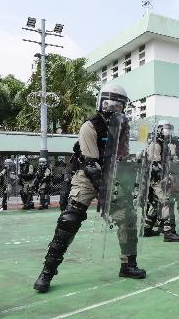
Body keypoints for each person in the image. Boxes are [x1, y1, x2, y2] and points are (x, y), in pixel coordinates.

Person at [33, 82, 146, 293]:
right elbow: (91, 164)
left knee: (128, 218)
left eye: (119, 105)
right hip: (87, 177)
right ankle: (47, 272)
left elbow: (121, 156)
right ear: (101, 103)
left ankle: (128, 265)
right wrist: (104, 192)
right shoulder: (90, 126)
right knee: (69, 220)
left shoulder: (123, 127)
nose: (115, 109)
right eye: (111, 104)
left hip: (112, 177)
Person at [143, 120, 179, 242]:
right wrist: (165, 179)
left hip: (159, 177)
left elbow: (171, 160)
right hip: (156, 179)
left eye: (170, 130)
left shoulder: (165, 144)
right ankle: (168, 231)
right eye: (166, 129)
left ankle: (147, 228)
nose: (169, 132)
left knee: (155, 203)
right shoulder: (155, 144)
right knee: (165, 201)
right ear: (159, 130)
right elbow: (155, 166)